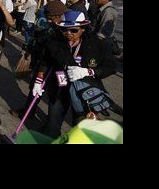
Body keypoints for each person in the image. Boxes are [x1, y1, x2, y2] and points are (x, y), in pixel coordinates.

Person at [35, 10, 117, 138]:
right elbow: (45, 62)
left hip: (84, 92)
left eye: (73, 30)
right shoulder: (55, 42)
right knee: (52, 126)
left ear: (83, 28)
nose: (68, 34)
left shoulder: (98, 44)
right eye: (64, 30)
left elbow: (111, 67)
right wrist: (38, 82)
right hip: (60, 89)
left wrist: (88, 71)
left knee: (80, 128)